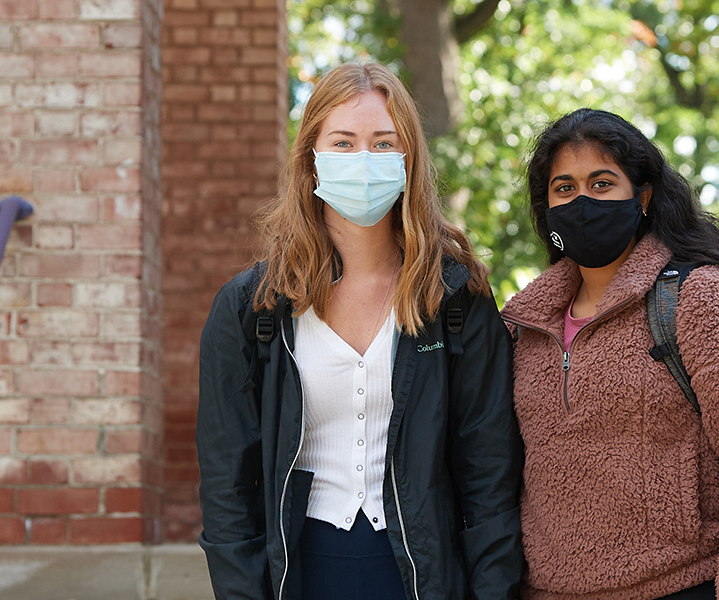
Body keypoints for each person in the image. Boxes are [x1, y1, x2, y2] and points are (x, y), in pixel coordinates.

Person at [197, 62, 524, 600]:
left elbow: (490, 480)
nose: (364, 161)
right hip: (301, 570)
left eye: (383, 143)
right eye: (344, 143)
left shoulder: (456, 299)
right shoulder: (250, 308)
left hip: (422, 574)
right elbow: (227, 490)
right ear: (312, 159)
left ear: (408, 158)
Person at [500, 108, 719, 600]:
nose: (582, 202)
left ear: (642, 197)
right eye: (565, 188)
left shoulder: (700, 299)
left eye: (602, 184)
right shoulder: (522, 327)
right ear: (547, 209)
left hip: (681, 585)